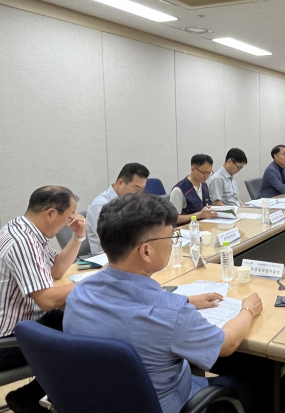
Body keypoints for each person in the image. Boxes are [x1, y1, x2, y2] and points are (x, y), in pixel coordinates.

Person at [63, 194, 265, 413]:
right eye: (171, 236)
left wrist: (187, 300)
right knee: (257, 383)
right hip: (175, 404)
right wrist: (248, 309)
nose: (172, 243)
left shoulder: (78, 294)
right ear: (146, 251)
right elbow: (227, 344)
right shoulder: (172, 314)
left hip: (104, 402)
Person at [0, 186, 86, 411]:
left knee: (86, 323)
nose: (68, 223)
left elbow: (56, 270)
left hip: (26, 321)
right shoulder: (23, 242)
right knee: (87, 340)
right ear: (51, 213)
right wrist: (94, 281)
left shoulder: (24, 229)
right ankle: (28, 397)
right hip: (7, 339)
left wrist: (78, 236)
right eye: (68, 217)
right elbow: (47, 300)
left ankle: (33, 395)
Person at [86, 162, 149, 254]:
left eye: (142, 189)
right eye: (136, 188)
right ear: (120, 182)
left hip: (130, 251)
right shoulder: (100, 205)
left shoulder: (131, 201)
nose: (139, 193)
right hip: (108, 256)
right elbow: (111, 239)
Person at [170, 154, 217, 225]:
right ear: (193, 169)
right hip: (188, 228)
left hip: (205, 225)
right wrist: (199, 215)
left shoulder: (204, 185)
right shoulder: (179, 190)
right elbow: (173, 219)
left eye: (209, 173)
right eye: (204, 173)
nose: (207, 176)